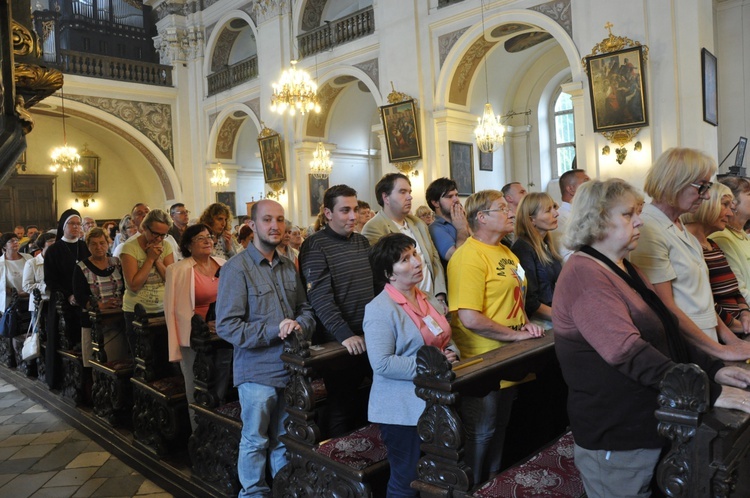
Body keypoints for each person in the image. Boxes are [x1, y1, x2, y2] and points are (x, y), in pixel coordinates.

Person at [552, 178, 750, 498]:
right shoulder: (584, 274)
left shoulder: (622, 266)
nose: (639, 221)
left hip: (648, 421)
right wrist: (708, 391)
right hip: (616, 437)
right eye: (629, 214)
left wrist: (714, 368)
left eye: (638, 213)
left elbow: (665, 332)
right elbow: (629, 353)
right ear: (598, 219)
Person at [216, 199, 315, 498]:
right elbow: (227, 326)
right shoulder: (236, 269)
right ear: (253, 225)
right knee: (255, 440)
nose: (275, 226)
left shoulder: (287, 264)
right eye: (268, 219)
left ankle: (282, 490)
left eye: (281, 220)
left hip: (290, 369)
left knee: (284, 439)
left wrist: (300, 324)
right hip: (257, 371)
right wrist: (276, 329)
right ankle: (253, 493)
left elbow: (305, 308)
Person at [447, 189, 545, 484]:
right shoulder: (468, 257)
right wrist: (514, 337)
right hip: (483, 358)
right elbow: (470, 318)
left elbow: (517, 295)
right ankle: (474, 486)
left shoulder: (506, 250)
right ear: (482, 218)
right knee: (482, 429)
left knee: (501, 424)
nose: (511, 213)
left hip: (511, 352)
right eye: (502, 209)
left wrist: (524, 324)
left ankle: (494, 480)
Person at [631, 148, 750, 361]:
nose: (705, 195)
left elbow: (703, 298)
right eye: (701, 186)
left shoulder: (678, 225)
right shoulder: (649, 227)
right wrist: (719, 349)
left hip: (707, 341)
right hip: (686, 345)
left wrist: (731, 340)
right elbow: (665, 305)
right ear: (674, 182)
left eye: (707, 186)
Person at [364, 233, 459, 497]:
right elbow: (382, 363)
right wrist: (434, 366)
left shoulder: (425, 296)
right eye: (405, 260)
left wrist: (452, 354)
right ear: (389, 274)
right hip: (401, 409)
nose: (416, 262)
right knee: (406, 478)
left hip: (436, 401)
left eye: (414, 254)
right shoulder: (379, 309)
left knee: (434, 475)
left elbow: (445, 338)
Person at [299, 185, 374, 437]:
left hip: (369, 336)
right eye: (345, 210)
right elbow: (320, 298)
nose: (353, 216)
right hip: (338, 342)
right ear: (327, 213)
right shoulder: (314, 245)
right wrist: (344, 335)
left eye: (355, 210)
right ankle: (337, 462)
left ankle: (365, 456)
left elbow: (375, 288)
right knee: (342, 406)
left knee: (367, 403)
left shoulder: (362, 242)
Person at [164, 224, 230, 429]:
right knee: (196, 386)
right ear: (188, 245)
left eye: (209, 237)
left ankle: (218, 426)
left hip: (222, 334)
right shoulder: (177, 270)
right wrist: (175, 348)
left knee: (222, 382)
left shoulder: (223, 264)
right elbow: (171, 310)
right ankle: (199, 432)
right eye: (200, 238)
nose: (207, 241)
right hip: (193, 337)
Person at [362, 173, 447, 303]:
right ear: (386, 197)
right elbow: (383, 275)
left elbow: (434, 259)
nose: (409, 197)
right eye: (402, 192)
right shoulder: (374, 227)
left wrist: (440, 295)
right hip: (406, 303)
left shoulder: (418, 223)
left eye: (409, 192)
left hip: (432, 300)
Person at [683, 183, 750, 335]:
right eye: (725, 205)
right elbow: (705, 300)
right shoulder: (688, 245)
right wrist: (736, 324)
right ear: (707, 204)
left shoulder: (711, 244)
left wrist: (745, 312)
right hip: (722, 332)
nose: (730, 213)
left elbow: (735, 290)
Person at [43, 209, 91, 389]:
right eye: (72, 223)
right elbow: (50, 280)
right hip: (63, 301)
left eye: (79, 224)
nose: (76, 227)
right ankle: (64, 377)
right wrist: (68, 294)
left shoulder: (85, 246)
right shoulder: (54, 250)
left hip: (84, 298)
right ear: (63, 226)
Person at [120, 209, 175, 357]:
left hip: (163, 308)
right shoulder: (129, 248)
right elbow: (134, 285)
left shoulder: (166, 246)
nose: (159, 239)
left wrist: (157, 260)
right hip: (137, 312)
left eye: (163, 235)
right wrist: (150, 259)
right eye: (155, 233)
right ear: (144, 228)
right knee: (144, 359)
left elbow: (171, 280)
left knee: (165, 359)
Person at [72, 228, 126, 367]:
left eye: (102, 243)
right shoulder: (81, 267)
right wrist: (101, 305)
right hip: (94, 322)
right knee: (96, 363)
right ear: (88, 246)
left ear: (108, 243)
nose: (99, 247)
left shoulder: (117, 262)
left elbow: (126, 287)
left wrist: (121, 300)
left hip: (117, 319)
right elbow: (80, 295)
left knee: (119, 361)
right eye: (94, 244)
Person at [511, 193, 562, 326]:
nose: (556, 214)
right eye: (548, 210)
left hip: (554, 315)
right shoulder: (523, 249)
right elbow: (529, 301)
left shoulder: (545, 244)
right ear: (531, 220)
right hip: (540, 322)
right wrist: (564, 318)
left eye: (554, 208)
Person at [712, 176, 750, 303]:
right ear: (733, 202)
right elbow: (738, 290)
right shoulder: (721, 237)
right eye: (749, 194)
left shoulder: (743, 235)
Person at [426, 177, 469, 269]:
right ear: (435, 203)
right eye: (449, 197)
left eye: (456, 195)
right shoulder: (436, 228)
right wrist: (462, 229)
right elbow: (456, 257)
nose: (456, 199)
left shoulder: (463, 219)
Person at [552, 168, 590, 260]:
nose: (591, 187)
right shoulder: (560, 218)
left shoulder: (586, 214)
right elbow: (565, 257)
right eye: (586, 183)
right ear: (571, 189)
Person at [22, 231, 56, 318]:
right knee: (39, 330)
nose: (54, 242)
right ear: (42, 245)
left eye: (55, 240)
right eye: (51, 240)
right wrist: (45, 287)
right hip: (40, 303)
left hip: (57, 302)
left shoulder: (59, 261)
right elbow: (26, 286)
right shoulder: (32, 263)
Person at [0, 233, 32, 311]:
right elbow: (1, 285)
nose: (15, 242)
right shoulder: (1, 263)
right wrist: (17, 293)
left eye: (16, 240)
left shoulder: (28, 258)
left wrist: (29, 292)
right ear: (4, 246)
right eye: (11, 241)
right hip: (11, 302)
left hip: (31, 297)